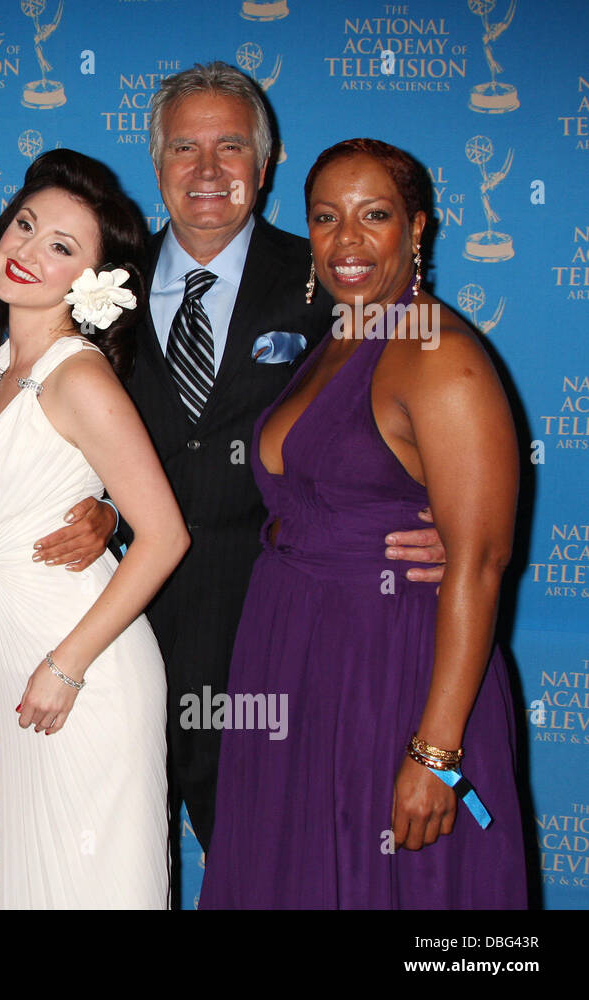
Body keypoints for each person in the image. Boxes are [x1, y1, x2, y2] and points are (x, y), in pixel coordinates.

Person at [200, 138, 526, 908]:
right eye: (325, 218)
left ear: (418, 229)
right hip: (293, 660)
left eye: (373, 215)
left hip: (389, 673)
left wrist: (438, 753)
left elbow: (478, 563)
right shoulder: (338, 338)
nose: (346, 240)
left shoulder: (442, 355)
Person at [127, 62, 444, 853]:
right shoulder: (97, 282)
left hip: (281, 647)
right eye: (183, 149)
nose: (206, 171)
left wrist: (444, 521)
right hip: (118, 644)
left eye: (230, 147)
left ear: (264, 167)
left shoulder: (332, 276)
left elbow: (415, 399)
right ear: (155, 161)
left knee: (275, 872)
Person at [0, 150, 189, 909]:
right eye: (25, 225)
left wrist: (68, 666)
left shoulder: (78, 374)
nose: (28, 251)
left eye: (62, 246)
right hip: (22, 668)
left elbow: (165, 536)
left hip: (86, 674)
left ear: (91, 280)